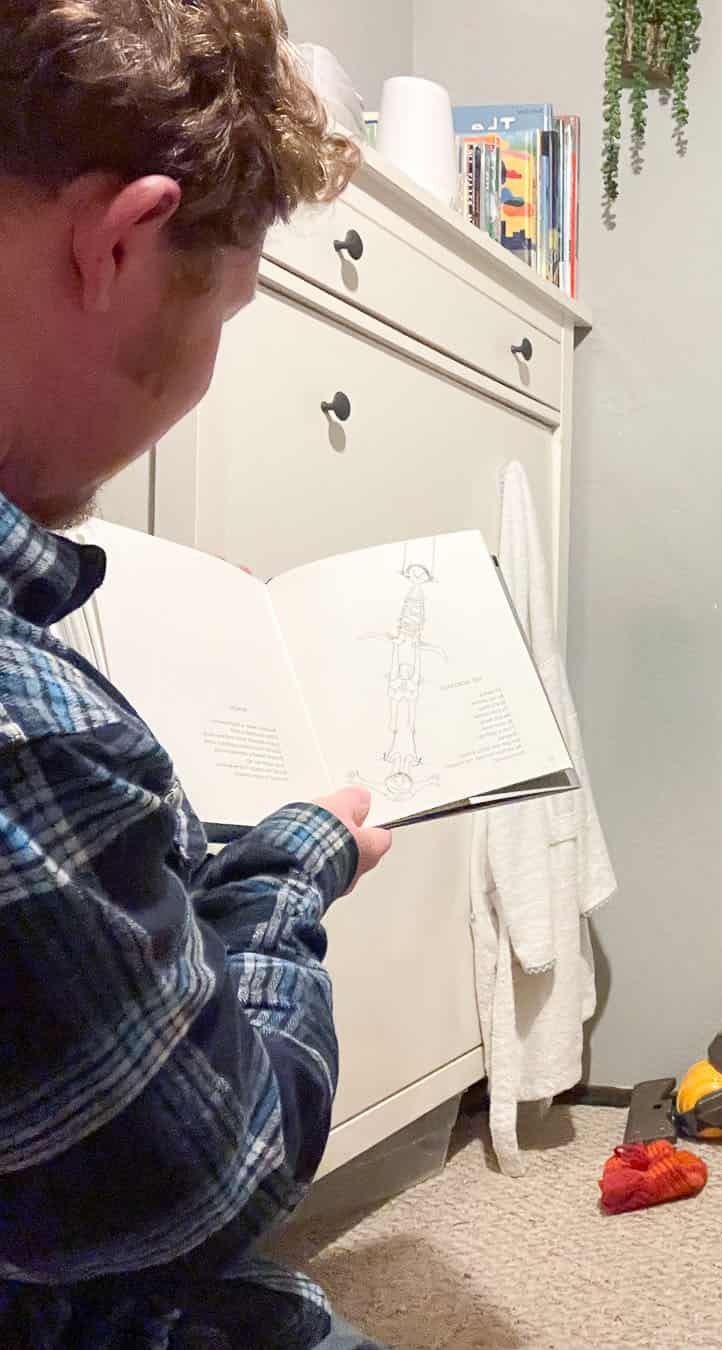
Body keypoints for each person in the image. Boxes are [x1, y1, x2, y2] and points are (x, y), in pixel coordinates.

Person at [0, 3, 389, 1348]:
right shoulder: (22, 730)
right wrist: (289, 869)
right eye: (220, 311)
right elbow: (211, 1169)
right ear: (120, 241)